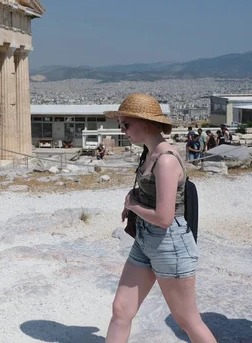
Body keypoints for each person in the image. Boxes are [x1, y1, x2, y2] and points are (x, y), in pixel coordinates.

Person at [103, 93, 216, 343]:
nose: (123, 130)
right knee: (121, 309)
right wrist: (134, 197)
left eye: (126, 124)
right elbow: (154, 195)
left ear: (144, 123)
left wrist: (133, 206)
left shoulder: (165, 160)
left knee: (187, 320)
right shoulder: (148, 153)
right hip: (145, 240)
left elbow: (164, 218)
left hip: (170, 244)